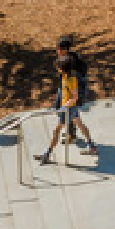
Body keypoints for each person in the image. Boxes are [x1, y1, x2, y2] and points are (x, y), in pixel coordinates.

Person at [36, 36, 97, 164]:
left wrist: (65, 105)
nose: (57, 68)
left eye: (58, 67)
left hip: (69, 107)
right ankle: (92, 146)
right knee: (79, 124)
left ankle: (47, 154)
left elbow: (75, 94)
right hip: (70, 105)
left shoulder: (71, 77)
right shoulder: (66, 74)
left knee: (56, 130)